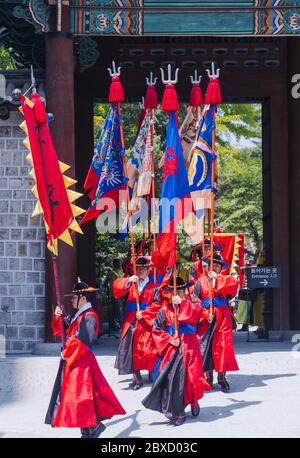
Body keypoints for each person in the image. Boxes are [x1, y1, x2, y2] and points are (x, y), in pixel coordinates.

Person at [45, 279, 126, 438]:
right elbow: (61, 330)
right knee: (78, 397)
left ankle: (92, 427)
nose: (71, 300)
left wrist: (67, 352)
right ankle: (88, 429)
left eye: (74, 298)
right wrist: (58, 316)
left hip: (82, 361)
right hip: (75, 360)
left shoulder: (89, 317)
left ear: (83, 298)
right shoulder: (78, 315)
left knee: (81, 397)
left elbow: (83, 339)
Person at [142, 277, 211, 426]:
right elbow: (157, 329)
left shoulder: (192, 305)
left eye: (181, 290)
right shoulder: (164, 310)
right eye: (175, 291)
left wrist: (184, 304)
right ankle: (178, 411)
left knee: (190, 378)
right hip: (172, 348)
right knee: (173, 379)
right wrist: (168, 339)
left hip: (189, 346)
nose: (178, 293)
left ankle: (190, 402)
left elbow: (197, 314)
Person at [193, 254, 239, 392]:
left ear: (220, 268)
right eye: (213, 266)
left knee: (223, 347)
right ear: (208, 267)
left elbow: (232, 289)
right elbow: (195, 299)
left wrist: (217, 279)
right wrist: (205, 313)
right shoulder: (199, 281)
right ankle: (208, 377)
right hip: (206, 318)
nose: (215, 268)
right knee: (206, 348)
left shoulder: (225, 279)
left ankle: (222, 377)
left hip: (223, 318)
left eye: (218, 266)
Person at [113, 256, 159, 389]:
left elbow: (157, 304)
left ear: (148, 270)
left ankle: (152, 372)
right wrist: (128, 280)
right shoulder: (131, 283)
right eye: (138, 269)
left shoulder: (154, 286)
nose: (140, 271)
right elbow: (116, 286)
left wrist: (144, 314)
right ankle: (137, 378)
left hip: (147, 321)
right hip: (131, 320)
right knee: (131, 349)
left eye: (143, 269)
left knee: (148, 348)